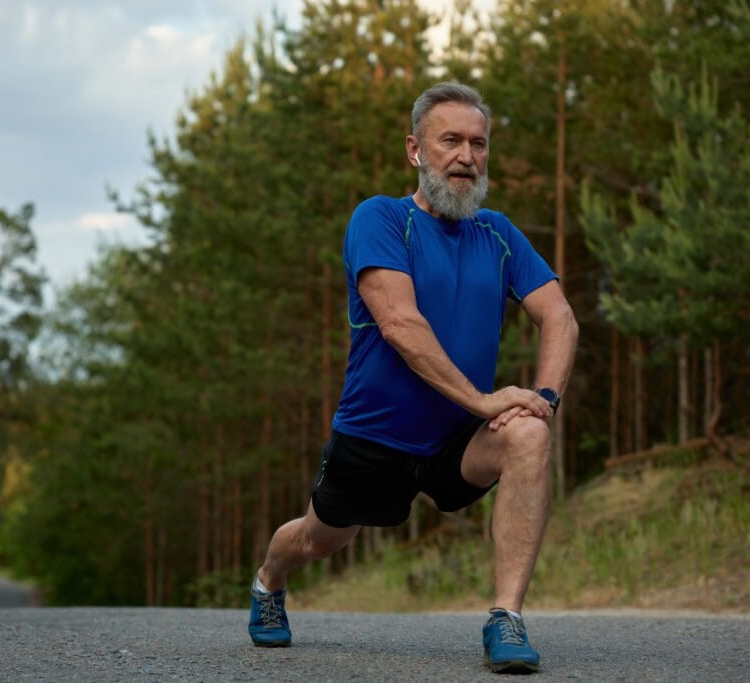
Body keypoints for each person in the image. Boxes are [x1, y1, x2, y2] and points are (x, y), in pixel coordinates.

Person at [247, 82, 578, 675]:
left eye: (478, 144)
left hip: (460, 440)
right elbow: (401, 324)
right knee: (321, 540)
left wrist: (544, 398)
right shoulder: (380, 219)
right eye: (449, 140)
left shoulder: (499, 234)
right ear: (415, 151)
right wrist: (482, 398)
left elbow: (558, 315)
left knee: (528, 434)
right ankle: (270, 582)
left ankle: (507, 617)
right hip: (376, 436)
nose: (466, 157)